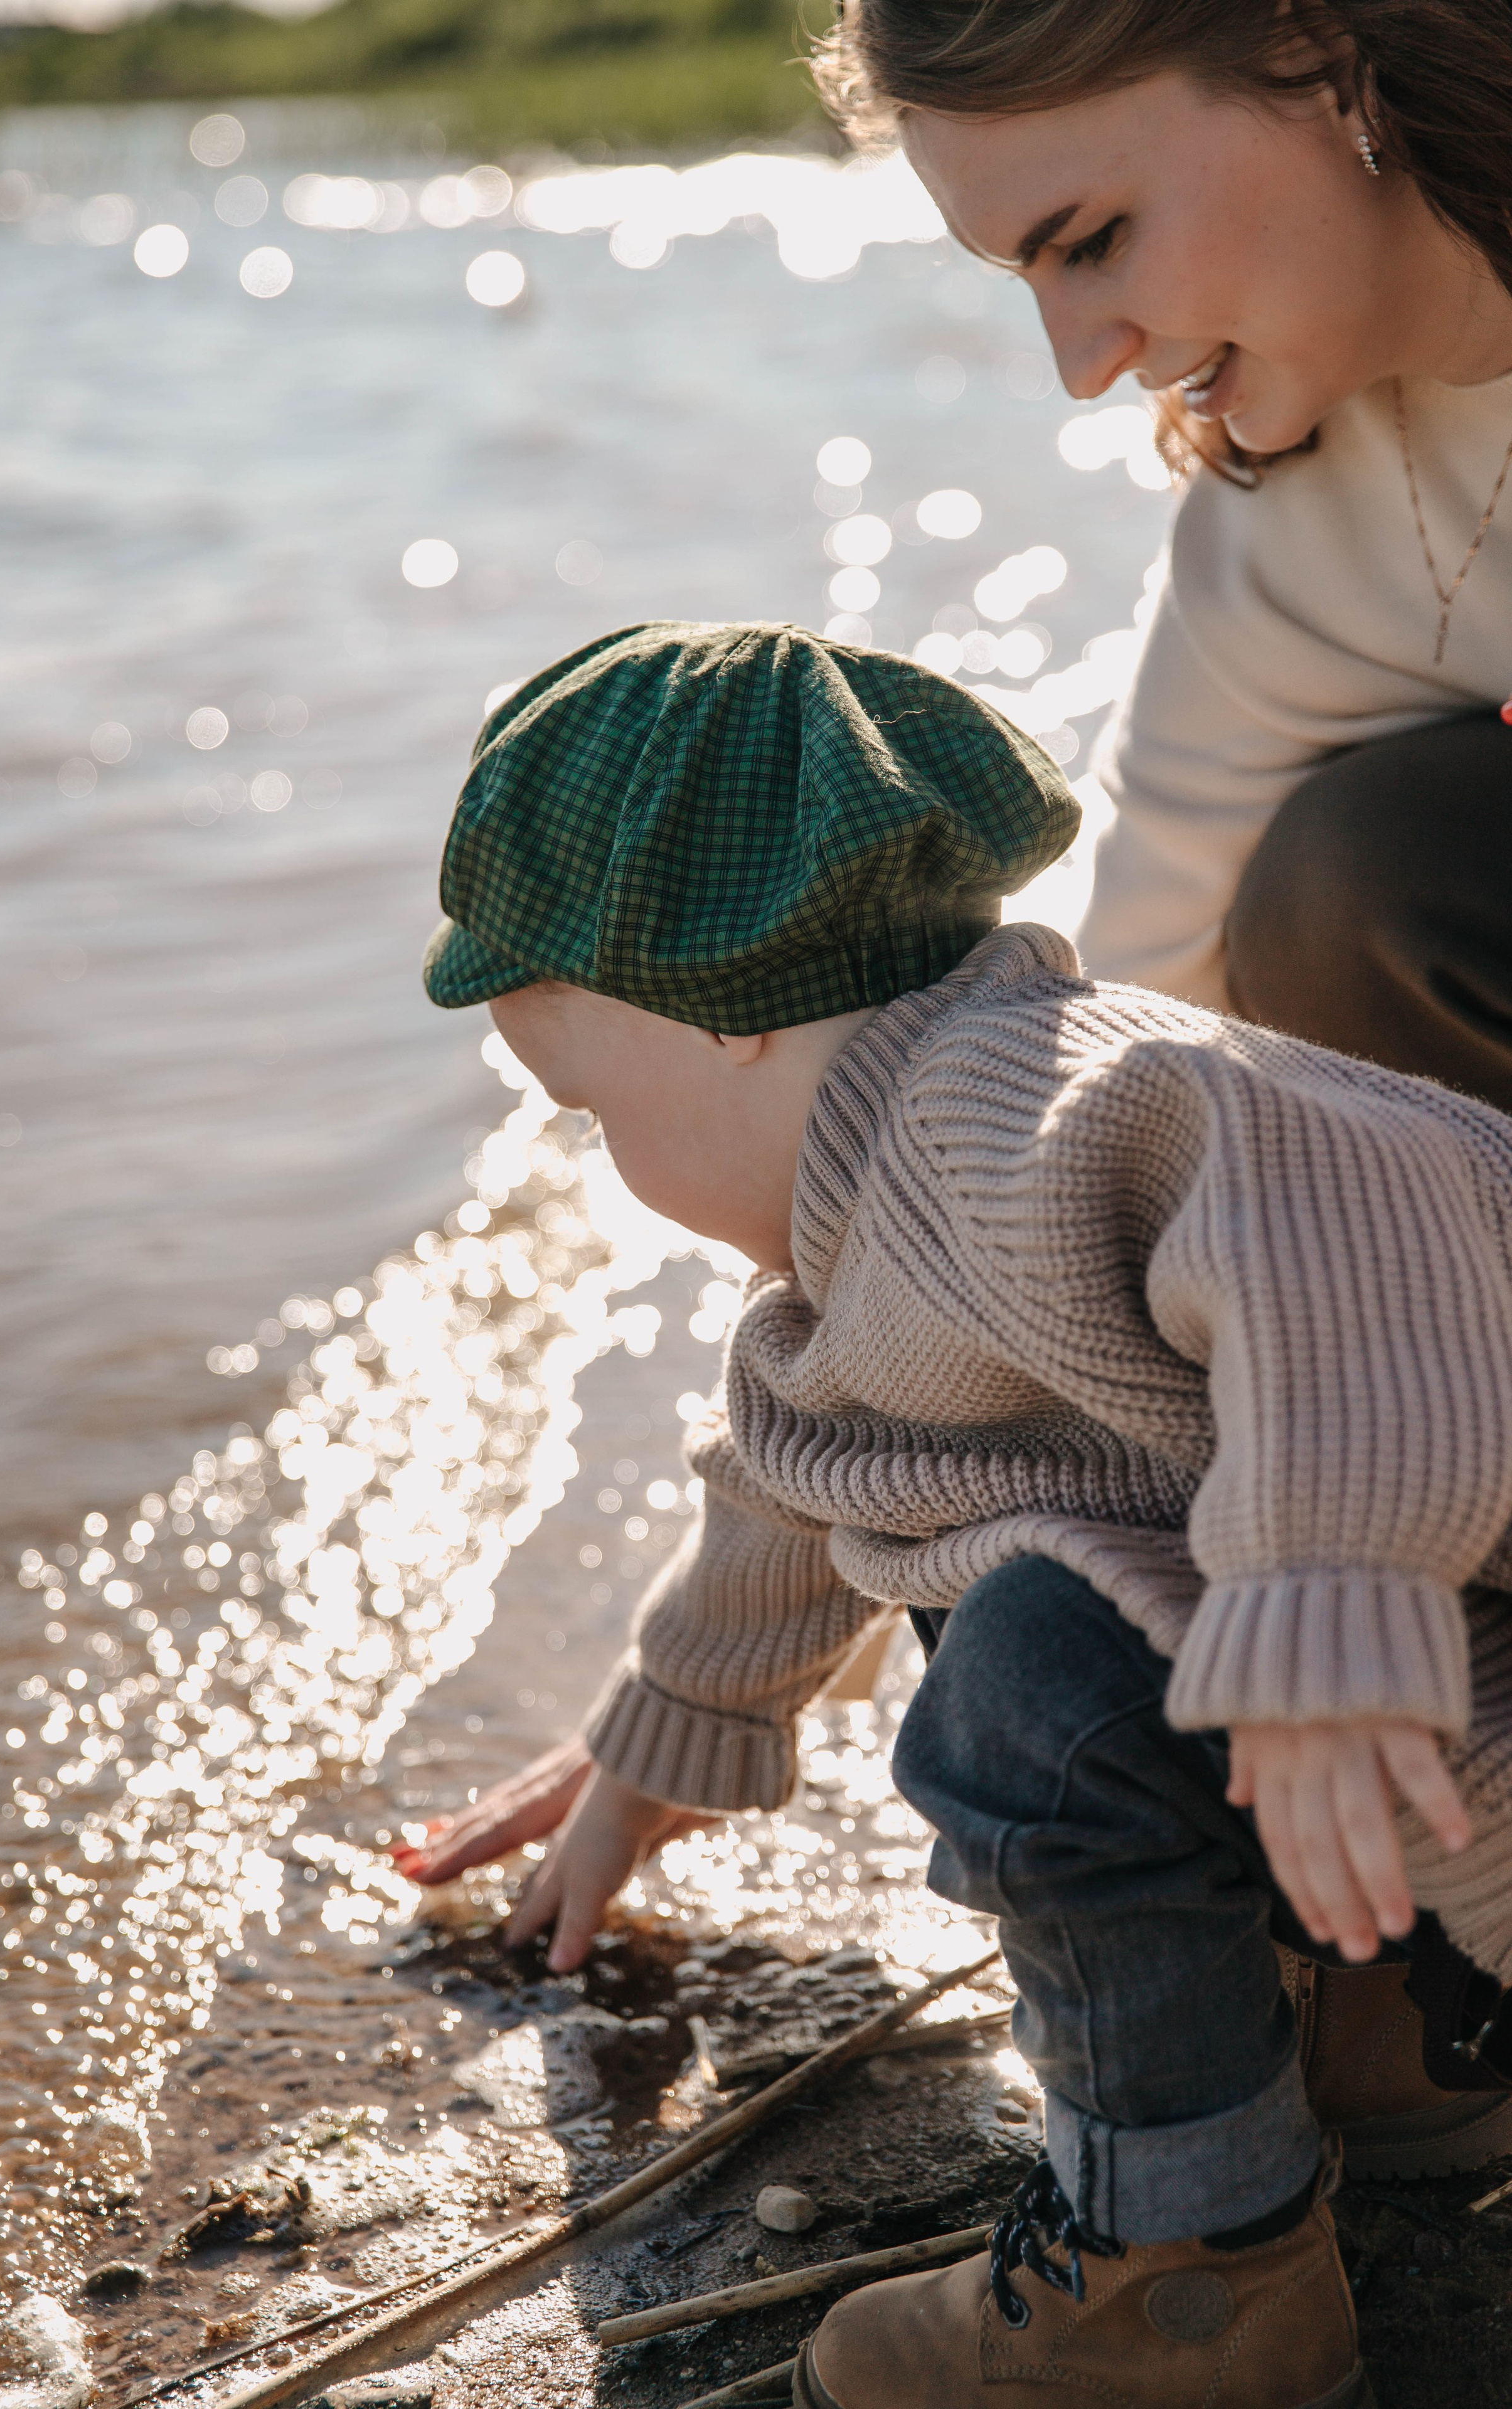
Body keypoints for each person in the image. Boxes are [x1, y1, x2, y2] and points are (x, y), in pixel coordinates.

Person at [395, 619, 1512, 2409]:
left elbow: (1360, 1230)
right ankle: (1396, 2048)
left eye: (589, 1106)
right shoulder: (879, 1223)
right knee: (1013, 1564)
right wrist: (663, 1742)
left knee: (1030, 1675)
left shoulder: (1036, 1098)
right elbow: (803, 1469)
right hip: (1434, 1791)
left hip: (1450, 1700)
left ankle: (1184, 2277)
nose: (597, 1158)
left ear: (733, 1008)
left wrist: (1324, 1600)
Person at [811, 0, 1512, 1109]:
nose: (1081, 368)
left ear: (1318, 53)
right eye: (1029, 277)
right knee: (1344, 889)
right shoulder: (1286, 535)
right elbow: (1133, 992)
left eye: (1093, 241)